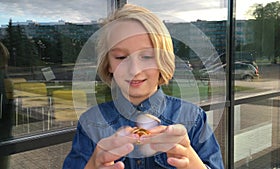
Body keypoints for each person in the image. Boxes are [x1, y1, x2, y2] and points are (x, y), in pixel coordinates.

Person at [63, 4, 224, 169]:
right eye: (120, 57)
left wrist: (192, 163)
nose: (134, 69)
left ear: (163, 60)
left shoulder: (193, 118)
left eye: (147, 56)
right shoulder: (91, 122)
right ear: (108, 64)